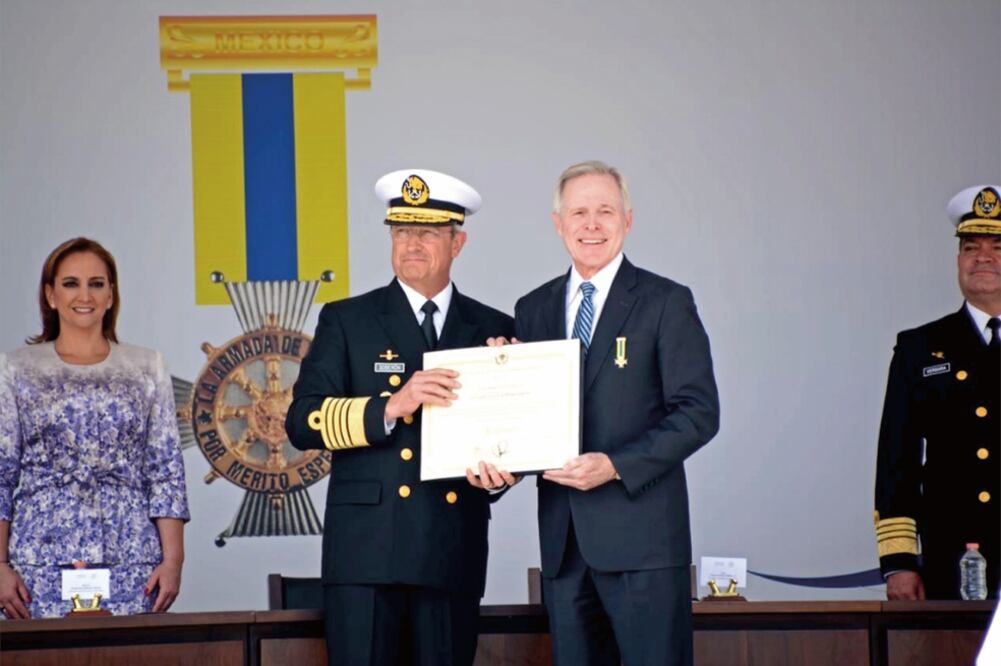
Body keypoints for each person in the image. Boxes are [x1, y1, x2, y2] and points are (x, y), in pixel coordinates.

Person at [285, 169, 515, 666]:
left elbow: (512, 441)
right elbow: (301, 422)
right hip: (367, 554)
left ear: (458, 243)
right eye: (401, 230)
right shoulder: (347, 319)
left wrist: (502, 473)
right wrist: (389, 407)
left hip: (451, 547)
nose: (412, 243)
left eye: (428, 232)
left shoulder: (494, 328)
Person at [507, 161, 719, 665]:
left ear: (628, 220)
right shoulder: (532, 309)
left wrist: (615, 464)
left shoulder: (665, 301)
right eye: (578, 212)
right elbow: (523, 417)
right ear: (558, 224)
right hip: (564, 548)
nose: (591, 224)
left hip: (643, 544)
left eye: (605, 211)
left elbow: (698, 412)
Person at [0, 237, 189, 619]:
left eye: (96, 283)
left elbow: (165, 471)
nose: (84, 294)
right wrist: (0, 566)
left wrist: (173, 561)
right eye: (70, 283)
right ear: (50, 295)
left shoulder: (146, 366)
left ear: (111, 295)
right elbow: (1, 474)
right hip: (37, 561)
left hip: (133, 558)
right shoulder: (17, 369)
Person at [875, 184, 1001, 601]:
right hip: (955, 562)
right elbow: (897, 463)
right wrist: (900, 563)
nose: (982, 257)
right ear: (958, 259)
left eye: (998, 245)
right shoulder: (920, 347)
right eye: (970, 247)